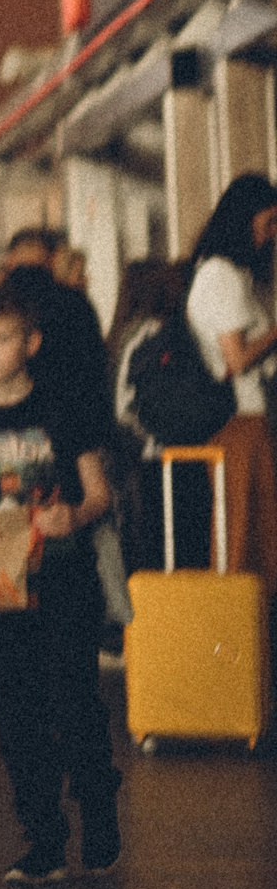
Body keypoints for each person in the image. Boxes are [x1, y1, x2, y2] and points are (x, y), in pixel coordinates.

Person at [0, 280, 120, 883]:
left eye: (2, 339)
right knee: (17, 715)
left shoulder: (63, 407)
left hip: (64, 579)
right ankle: (43, 839)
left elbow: (100, 493)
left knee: (75, 700)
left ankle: (98, 803)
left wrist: (75, 515)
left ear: (31, 342)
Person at [183, 171, 277, 588]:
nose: (272, 233)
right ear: (245, 219)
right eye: (268, 222)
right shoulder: (221, 276)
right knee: (245, 537)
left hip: (248, 416)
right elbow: (236, 358)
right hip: (241, 417)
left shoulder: (227, 273)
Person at [0, 226, 113, 432]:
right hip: (68, 423)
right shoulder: (76, 304)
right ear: (52, 259)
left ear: (10, 259)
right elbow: (95, 371)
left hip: (3, 422)